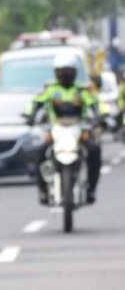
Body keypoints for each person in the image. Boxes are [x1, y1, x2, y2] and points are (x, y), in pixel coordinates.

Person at [26, 52, 102, 205]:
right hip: (56, 129)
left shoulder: (81, 91)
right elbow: (35, 102)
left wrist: (100, 117)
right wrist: (30, 115)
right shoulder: (50, 89)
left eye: (68, 72)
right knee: (40, 152)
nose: (65, 76)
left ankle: (91, 189)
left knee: (94, 150)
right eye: (61, 72)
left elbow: (94, 104)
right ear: (56, 73)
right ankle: (42, 190)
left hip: (78, 129)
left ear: (74, 73)